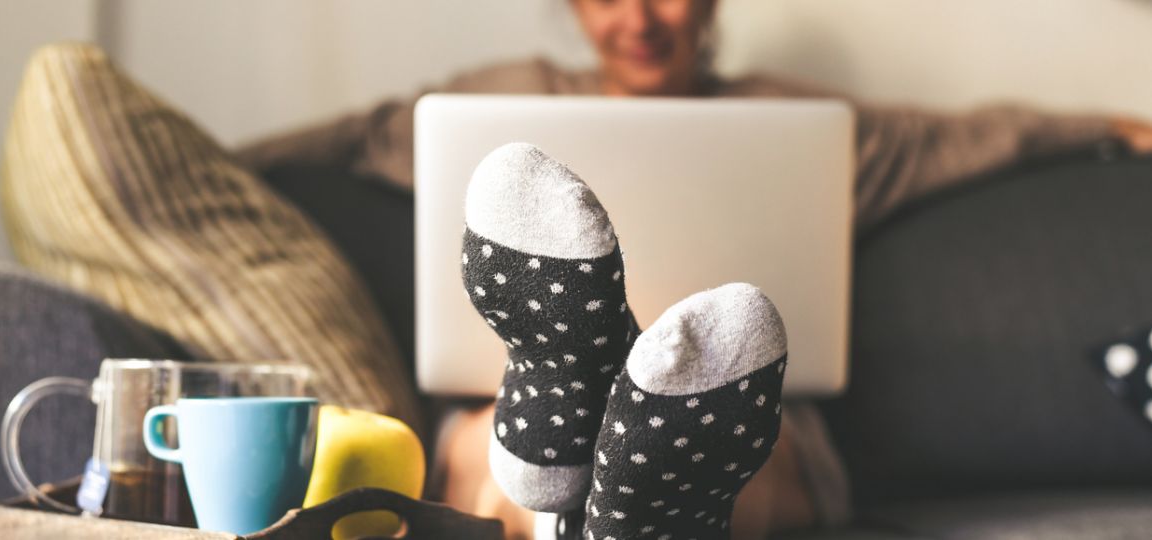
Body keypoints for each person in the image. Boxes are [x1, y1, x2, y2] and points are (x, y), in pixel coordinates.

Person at [237, 1, 1152, 537]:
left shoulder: (802, 123)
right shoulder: (500, 96)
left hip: (761, 415)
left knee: (752, 440)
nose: (636, 19)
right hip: (493, 405)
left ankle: (595, 464)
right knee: (482, 441)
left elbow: (960, 138)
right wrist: (222, 160)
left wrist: (1103, 130)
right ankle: (607, 471)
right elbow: (347, 138)